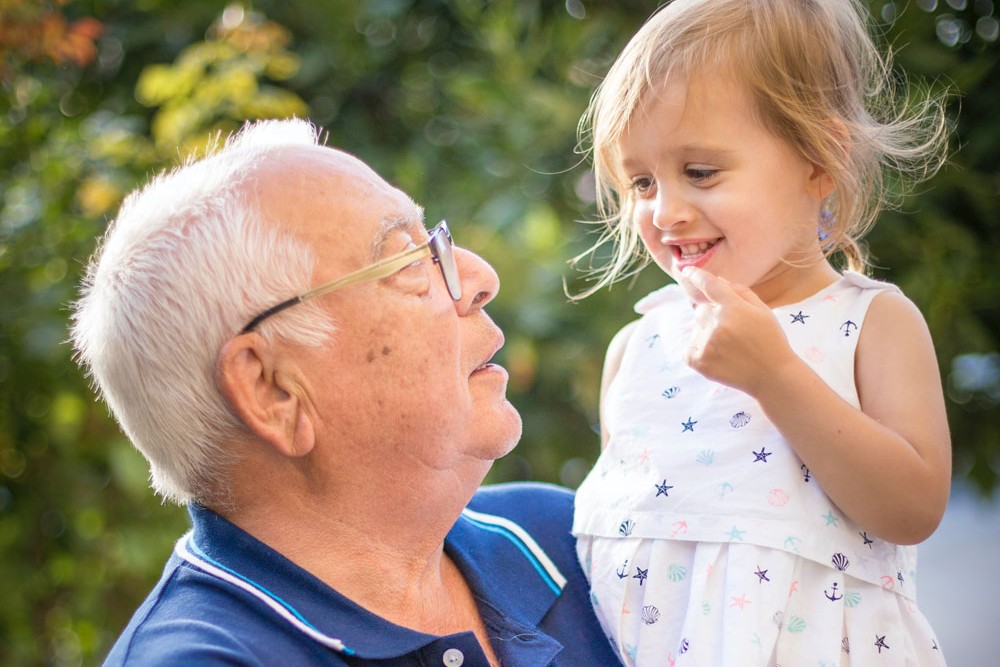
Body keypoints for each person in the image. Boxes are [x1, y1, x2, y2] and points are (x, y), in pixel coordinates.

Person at [71, 118, 621, 666]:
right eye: (406, 259)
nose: (480, 277)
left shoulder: (569, 539)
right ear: (272, 390)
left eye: (435, 242)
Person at [569, 0, 952, 665]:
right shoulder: (638, 348)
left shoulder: (870, 323)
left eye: (699, 172)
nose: (666, 211)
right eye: (640, 181)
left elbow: (912, 507)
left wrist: (776, 375)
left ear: (818, 159)